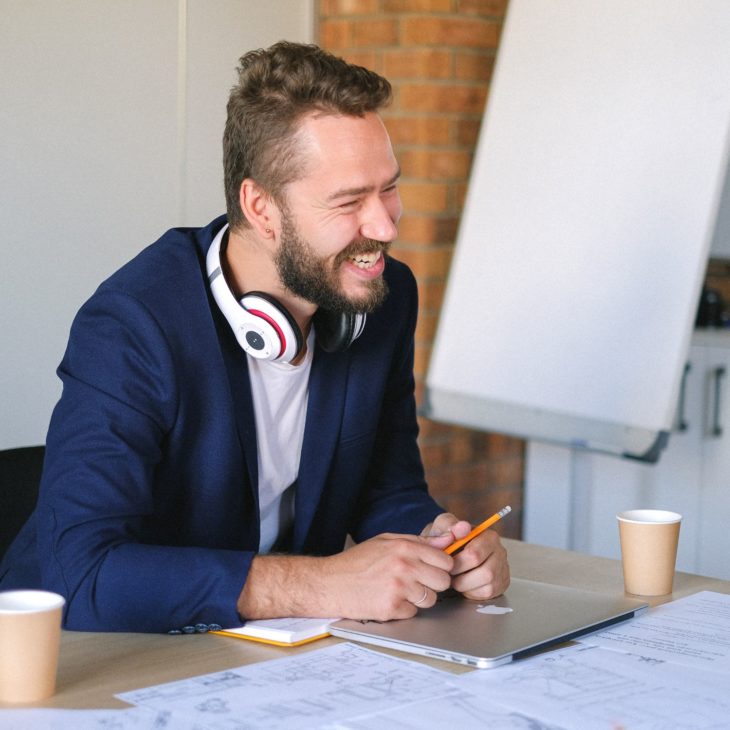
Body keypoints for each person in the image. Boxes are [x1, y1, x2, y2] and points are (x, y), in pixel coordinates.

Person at [0, 42, 509, 632]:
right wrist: (321, 582)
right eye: (349, 201)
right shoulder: (133, 326)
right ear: (261, 207)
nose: (386, 225)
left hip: (271, 656)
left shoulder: (377, 297)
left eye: (388, 187)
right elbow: (80, 575)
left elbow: (386, 488)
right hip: (89, 657)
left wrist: (439, 542)